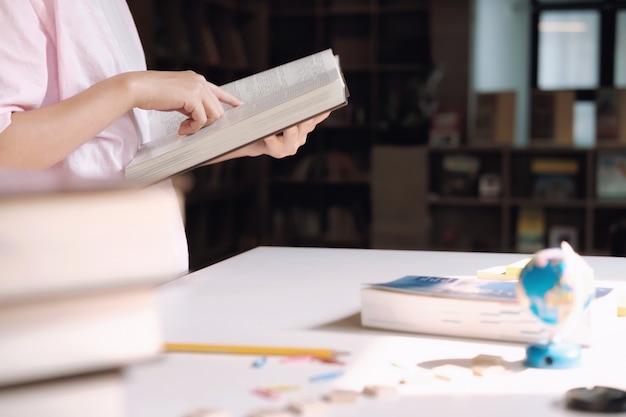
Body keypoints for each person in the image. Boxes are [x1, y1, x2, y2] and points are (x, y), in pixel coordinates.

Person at [0, 1, 330, 272]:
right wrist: (132, 87)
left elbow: (122, 144)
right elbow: (5, 148)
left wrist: (246, 136)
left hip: (140, 269)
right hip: (73, 278)